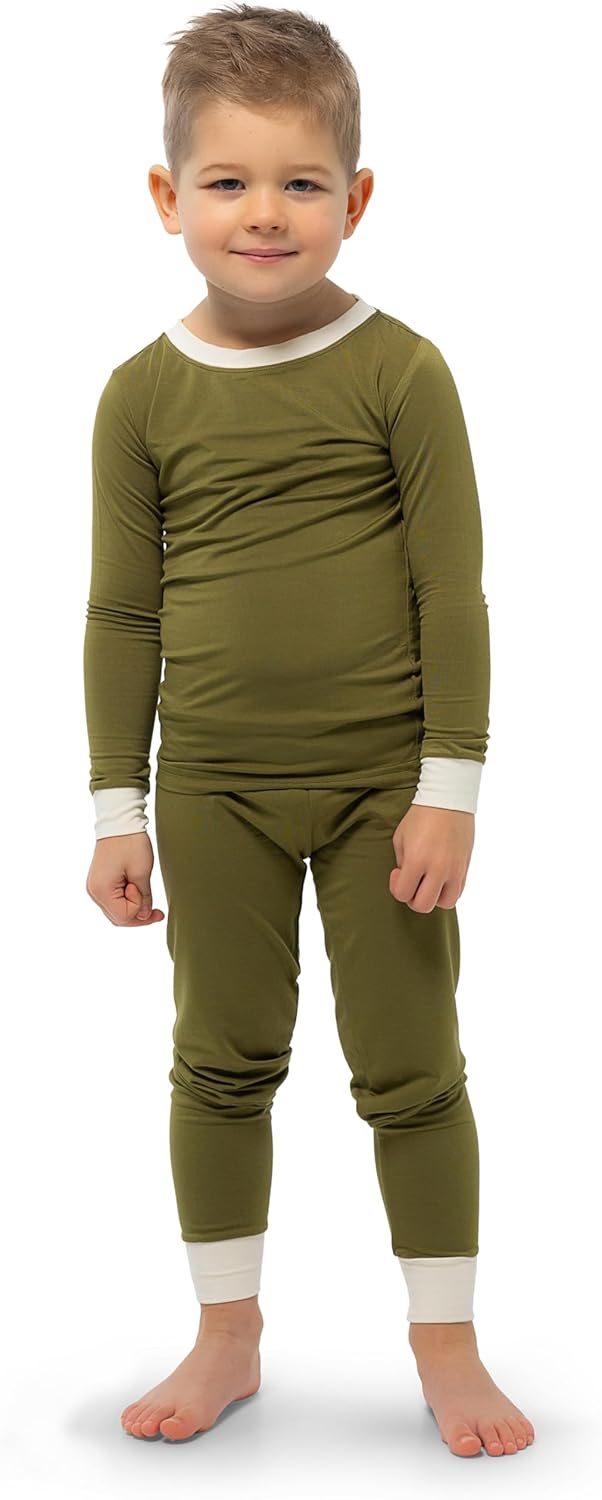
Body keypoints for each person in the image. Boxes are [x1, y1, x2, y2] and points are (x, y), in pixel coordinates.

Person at [83, 2, 535, 1458]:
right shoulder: (140, 397)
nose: (264, 214)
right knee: (219, 1062)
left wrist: (449, 786)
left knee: (411, 1068)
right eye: (228, 182)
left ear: (357, 196)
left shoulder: (402, 371)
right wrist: (117, 807)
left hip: (380, 788)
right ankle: (227, 1333)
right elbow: (121, 614)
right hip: (211, 787)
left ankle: (446, 1343)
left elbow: (451, 590)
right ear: (169, 198)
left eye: (300, 182)